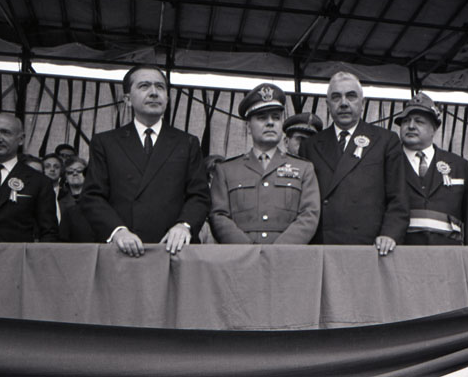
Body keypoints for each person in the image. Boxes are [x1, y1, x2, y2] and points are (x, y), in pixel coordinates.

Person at [81, 65, 210, 257]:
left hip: (174, 249)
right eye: (144, 86)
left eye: (160, 87)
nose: (154, 93)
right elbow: (92, 196)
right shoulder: (106, 142)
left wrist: (184, 225)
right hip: (123, 250)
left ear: (168, 98)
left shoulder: (188, 142)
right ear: (127, 99)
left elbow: (200, 195)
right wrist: (117, 231)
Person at [298, 71, 408, 255]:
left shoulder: (386, 141)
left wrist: (390, 234)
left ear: (362, 103)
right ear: (327, 105)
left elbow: (398, 197)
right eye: (336, 97)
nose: (343, 103)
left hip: (371, 247)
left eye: (351, 96)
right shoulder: (310, 145)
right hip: (323, 247)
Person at [210, 83, 320, 244]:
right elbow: (219, 216)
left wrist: (277, 251)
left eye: (276, 117)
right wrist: (249, 251)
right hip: (241, 257)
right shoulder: (226, 170)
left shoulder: (304, 169)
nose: (270, 123)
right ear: (248, 126)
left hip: (287, 256)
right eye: (262, 118)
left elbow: (309, 215)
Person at [394, 93, 468, 245]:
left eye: (419, 121)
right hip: (401, 252)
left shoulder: (460, 166)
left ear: (434, 128)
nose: (411, 126)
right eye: (405, 121)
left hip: (448, 253)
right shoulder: (388, 162)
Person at [0, 114, 58, 242]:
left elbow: (49, 233)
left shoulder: (39, 182)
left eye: (5, 132)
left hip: (14, 254)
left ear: (21, 139)